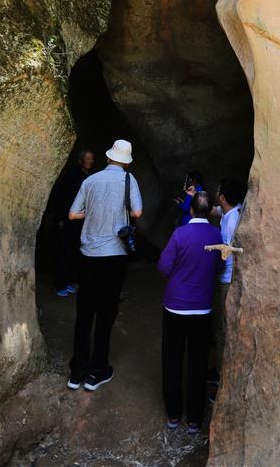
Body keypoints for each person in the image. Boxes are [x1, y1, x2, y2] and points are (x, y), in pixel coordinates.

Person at [66, 139, 142, 392]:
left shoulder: (90, 181)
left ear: (109, 157)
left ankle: (77, 371)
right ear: (127, 161)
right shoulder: (129, 180)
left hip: (88, 254)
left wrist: (95, 212)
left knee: (84, 312)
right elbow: (137, 213)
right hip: (114, 256)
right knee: (106, 313)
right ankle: (97, 371)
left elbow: (73, 214)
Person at [158, 191, 223, 433]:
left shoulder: (180, 233)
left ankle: (173, 415)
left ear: (192, 210)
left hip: (175, 305)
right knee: (198, 362)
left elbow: (164, 267)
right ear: (209, 212)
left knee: (172, 359)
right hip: (202, 307)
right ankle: (195, 420)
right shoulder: (216, 235)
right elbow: (220, 266)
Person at [212, 178, 246, 382]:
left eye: (218, 191)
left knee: (222, 327)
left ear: (223, 197)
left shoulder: (232, 221)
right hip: (228, 276)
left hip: (227, 279)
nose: (216, 193)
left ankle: (221, 375)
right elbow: (214, 210)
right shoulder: (233, 212)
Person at [52, 150, 95, 297]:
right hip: (68, 219)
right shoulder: (71, 176)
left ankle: (69, 281)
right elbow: (61, 197)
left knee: (75, 251)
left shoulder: (90, 176)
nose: (90, 161)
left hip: (81, 220)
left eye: (92, 159)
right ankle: (60, 284)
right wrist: (60, 219)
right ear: (80, 161)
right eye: (88, 159)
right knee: (64, 251)